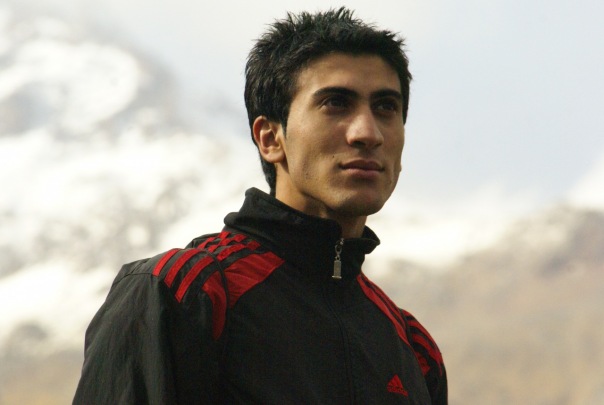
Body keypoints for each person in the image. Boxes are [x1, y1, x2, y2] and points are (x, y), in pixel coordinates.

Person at [73, 7, 447, 404]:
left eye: (386, 107)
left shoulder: (413, 348)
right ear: (270, 138)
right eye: (336, 103)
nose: (367, 133)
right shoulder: (183, 293)